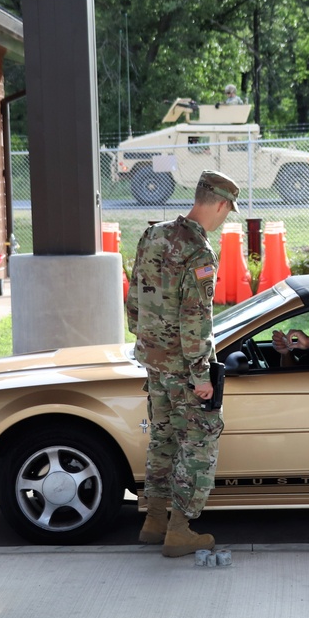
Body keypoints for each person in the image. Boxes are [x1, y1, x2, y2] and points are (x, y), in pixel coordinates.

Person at [126, 169, 240, 558]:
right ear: (222, 204)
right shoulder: (199, 251)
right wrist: (200, 375)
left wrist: (143, 339)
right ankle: (180, 529)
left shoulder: (152, 233)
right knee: (198, 441)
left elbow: (135, 294)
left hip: (153, 361)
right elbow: (196, 319)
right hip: (182, 366)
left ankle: (154, 520)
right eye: (228, 210)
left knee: (163, 439)